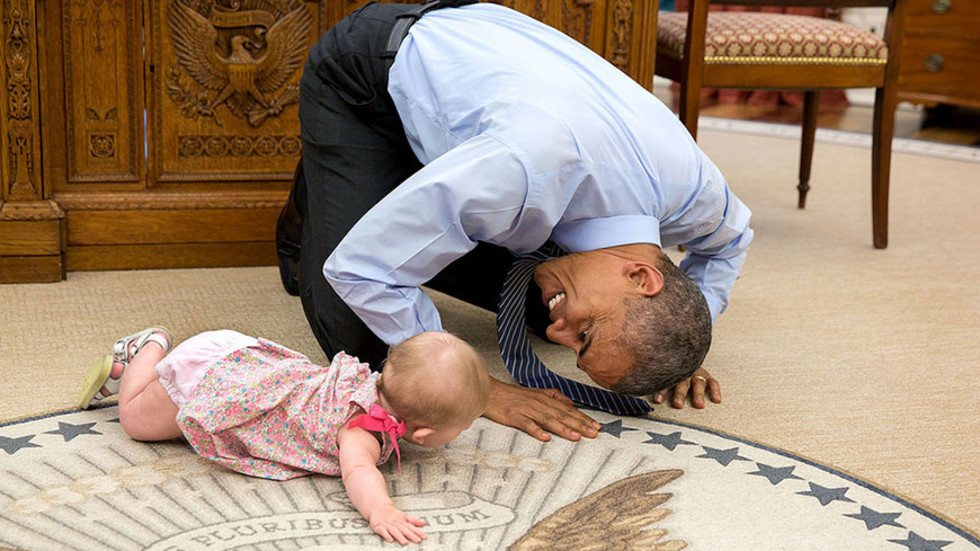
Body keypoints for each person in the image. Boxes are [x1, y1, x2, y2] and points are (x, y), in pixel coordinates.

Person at [276, 1, 753, 443]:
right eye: (583, 336)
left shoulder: (696, 193)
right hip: (368, 74)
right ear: (641, 276)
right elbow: (362, 268)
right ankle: (329, 185)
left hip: (487, 118)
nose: (555, 337)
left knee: (531, 301)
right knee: (369, 345)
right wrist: (476, 387)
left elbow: (731, 244)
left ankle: (383, 189)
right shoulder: (524, 170)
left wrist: (679, 344)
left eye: (576, 347)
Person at [78, 326, 490, 545]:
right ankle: (146, 349)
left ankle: (154, 361)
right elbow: (358, 473)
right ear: (424, 432)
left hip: (244, 358)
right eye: (464, 425)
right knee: (134, 420)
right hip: (212, 382)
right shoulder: (362, 428)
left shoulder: (371, 381)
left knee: (144, 415)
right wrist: (381, 509)